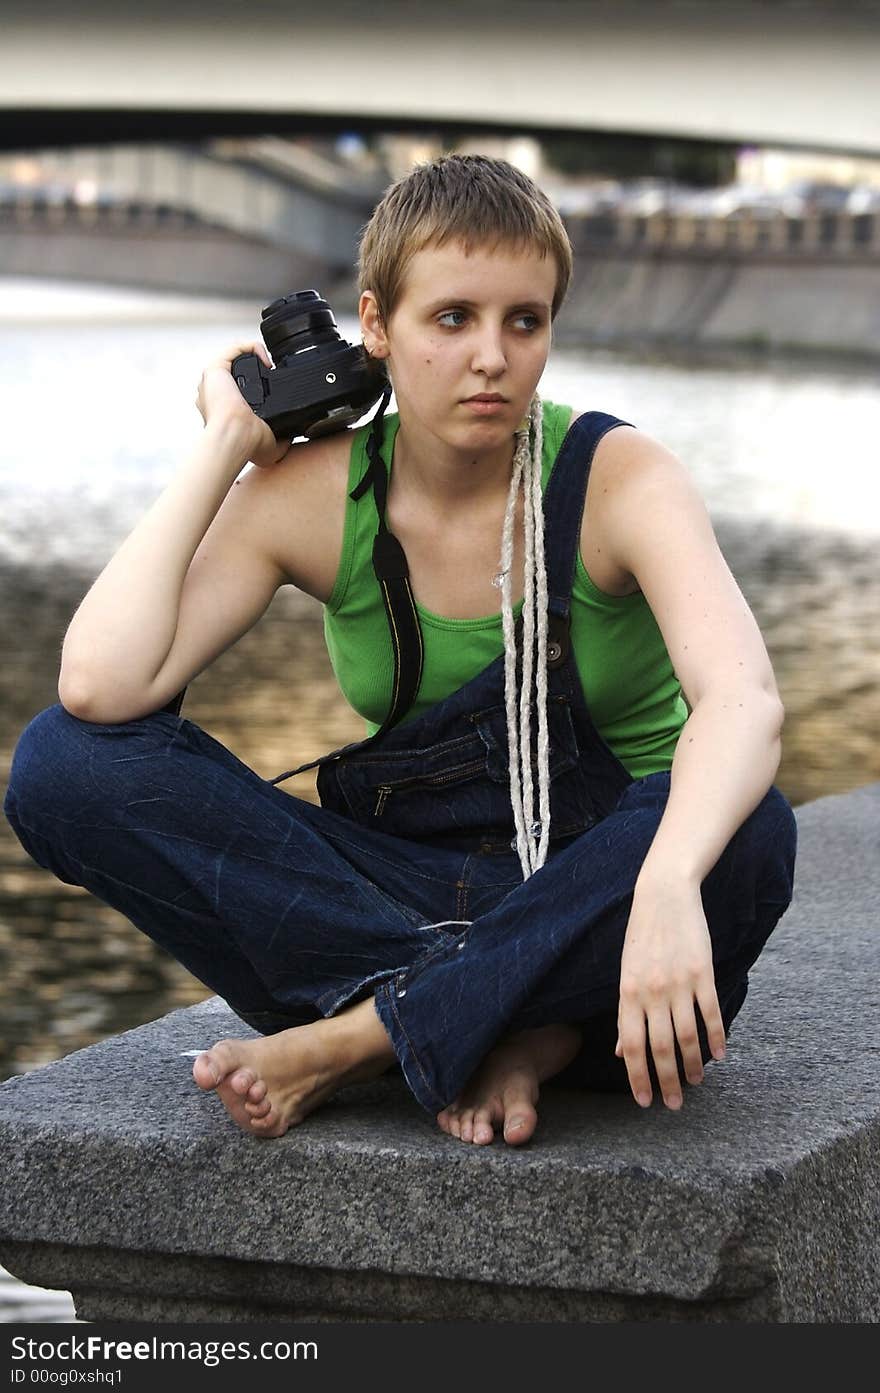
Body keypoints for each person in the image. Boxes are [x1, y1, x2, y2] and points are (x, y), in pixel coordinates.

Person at [4, 154, 796, 1148]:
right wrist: (222, 447)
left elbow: (744, 702)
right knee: (60, 766)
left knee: (748, 832)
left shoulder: (616, 478)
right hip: (407, 901)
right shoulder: (315, 493)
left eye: (525, 320)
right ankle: (516, 1023)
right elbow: (100, 685)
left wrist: (672, 881)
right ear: (376, 325)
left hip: (609, 895)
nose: (492, 358)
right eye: (451, 318)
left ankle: (362, 1037)